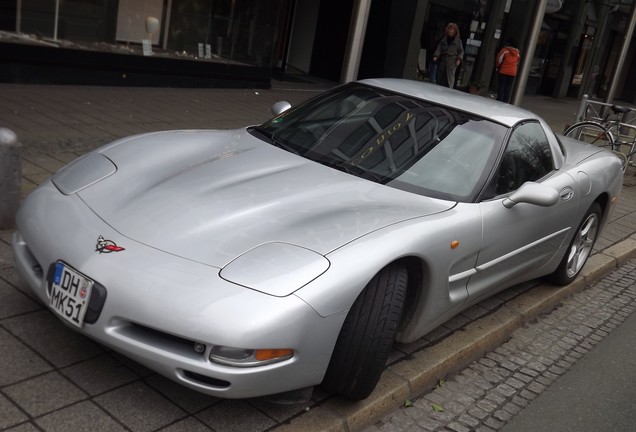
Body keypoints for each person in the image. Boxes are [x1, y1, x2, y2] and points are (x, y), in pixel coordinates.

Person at [432, 23, 464, 89]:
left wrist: (459, 59)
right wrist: (436, 55)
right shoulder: (444, 40)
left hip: (452, 61)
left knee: (450, 77)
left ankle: (449, 89)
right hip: (443, 60)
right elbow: (439, 49)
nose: (451, 31)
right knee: (440, 77)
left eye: (452, 30)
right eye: (450, 29)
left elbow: (461, 51)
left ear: (455, 31)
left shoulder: (458, 41)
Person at [495, 38, 520, 103]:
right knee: (508, 87)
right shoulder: (517, 53)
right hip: (512, 72)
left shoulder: (504, 50)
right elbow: (517, 61)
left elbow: (499, 60)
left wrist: (497, 67)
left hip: (504, 71)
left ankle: (499, 99)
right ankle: (506, 101)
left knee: (501, 86)